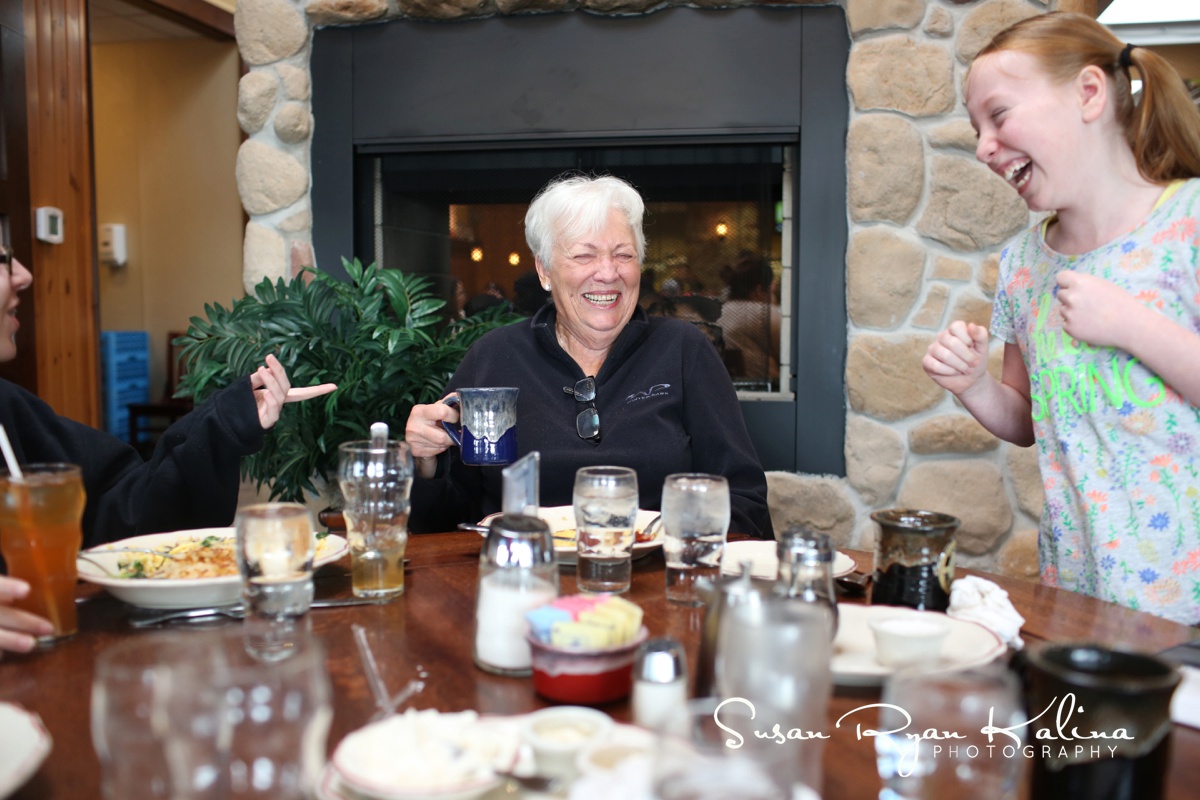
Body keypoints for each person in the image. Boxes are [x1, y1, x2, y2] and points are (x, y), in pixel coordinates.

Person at [922, 12, 1200, 624]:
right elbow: (1027, 419)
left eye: (998, 115)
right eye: (976, 129)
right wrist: (974, 385)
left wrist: (1132, 325)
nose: (982, 146)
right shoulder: (1024, 263)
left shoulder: (1189, 222)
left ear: (1090, 94)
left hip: (1186, 603)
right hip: (1076, 586)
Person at [0, 246, 337, 651]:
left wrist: (224, 424)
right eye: (2, 260)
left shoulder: (9, 410)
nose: (23, 275)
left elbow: (122, 514)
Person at [405, 174, 773, 537]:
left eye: (623, 255)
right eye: (585, 255)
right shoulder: (494, 356)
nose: (608, 273)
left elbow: (745, 503)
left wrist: (667, 541)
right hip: (523, 579)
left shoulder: (683, 350)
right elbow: (440, 525)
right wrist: (426, 462)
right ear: (544, 271)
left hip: (654, 578)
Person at [717, 253, 781, 384]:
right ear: (759, 290)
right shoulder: (766, 314)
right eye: (771, 290)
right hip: (767, 390)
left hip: (725, 387)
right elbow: (789, 357)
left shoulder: (720, 311)